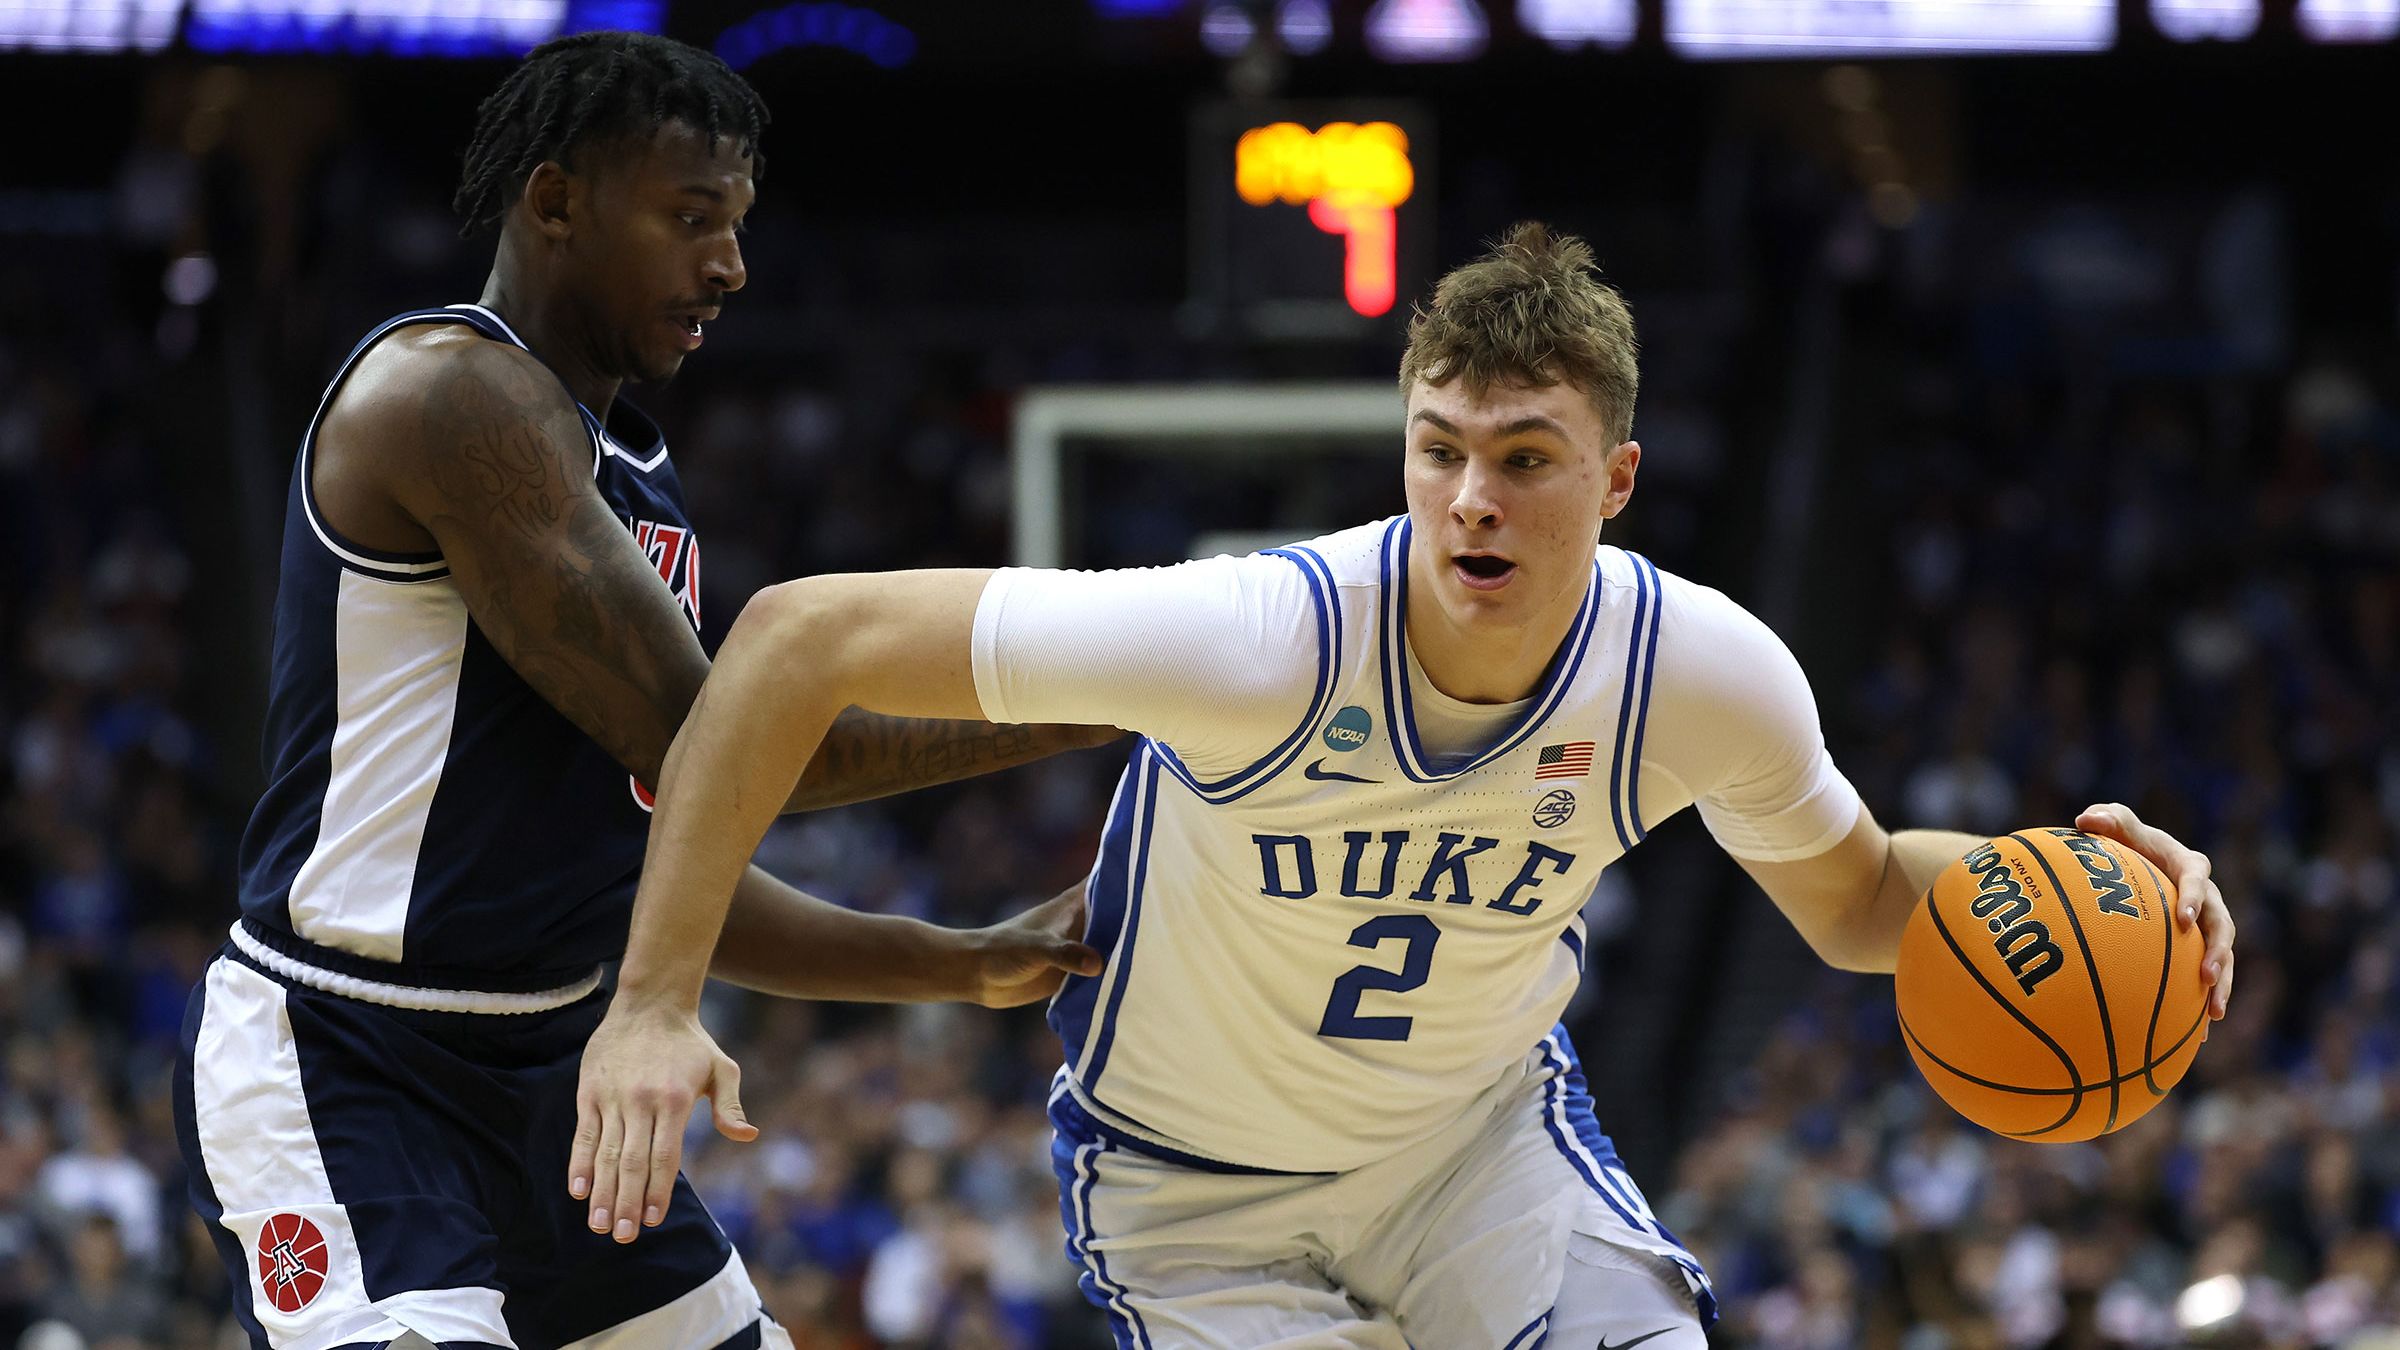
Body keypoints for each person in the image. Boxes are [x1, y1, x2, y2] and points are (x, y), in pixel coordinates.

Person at [577, 223, 2238, 1348]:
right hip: (1194, 1200)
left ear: (1618, 479)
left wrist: (2077, 876)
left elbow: (1870, 900)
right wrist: (653, 999)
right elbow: (793, 639)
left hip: (1475, 1152)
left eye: (1524, 456)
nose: (1472, 502)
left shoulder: (1702, 671)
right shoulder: (1260, 639)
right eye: (1441, 448)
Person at [172, 32, 1112, 1350]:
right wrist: (1124, 687)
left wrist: (961, 964)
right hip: (353, 1064)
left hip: (554, 1073)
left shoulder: (629, 464)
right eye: (690, 220)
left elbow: (663, 869)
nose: (728, 265)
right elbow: (725, 744)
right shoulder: (452, 397)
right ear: (555, 202)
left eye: (733, 224)